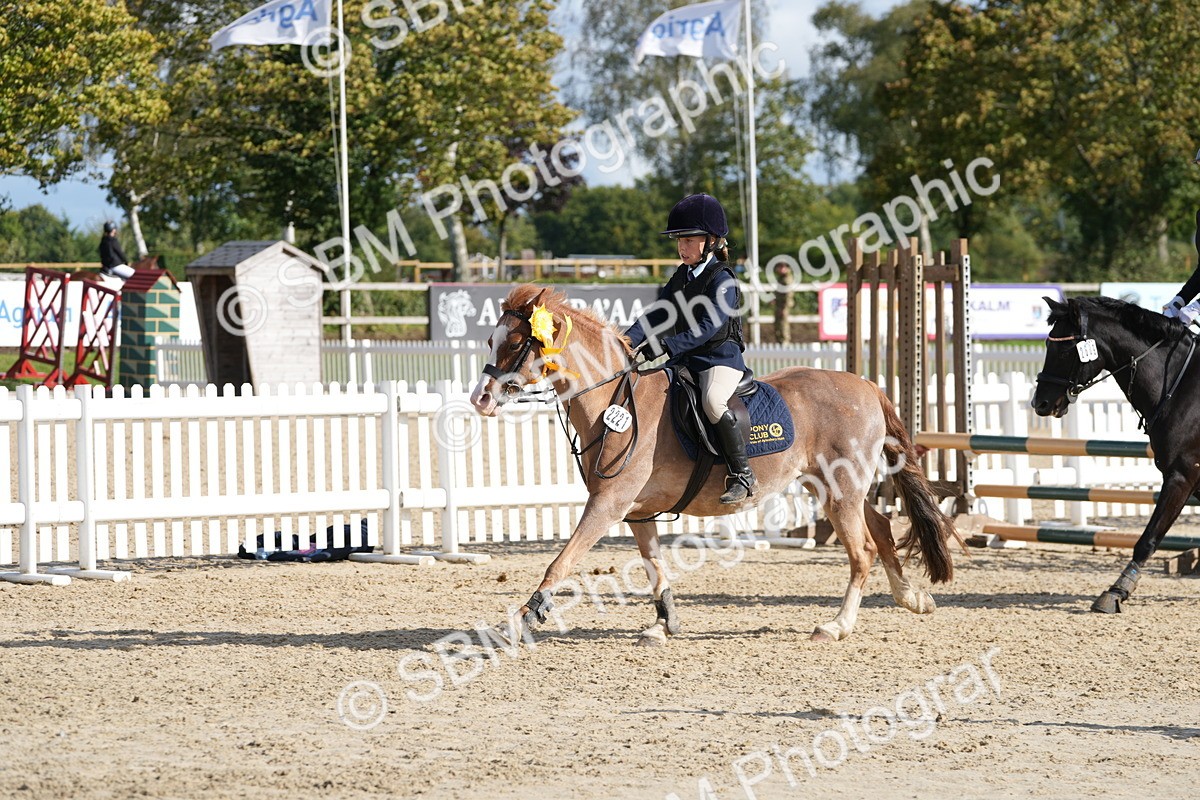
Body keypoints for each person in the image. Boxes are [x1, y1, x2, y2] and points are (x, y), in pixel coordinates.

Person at [625, 193, 756, 504]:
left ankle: (743, 475)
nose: (681, 247)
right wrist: (628, 340)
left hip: (719, 359)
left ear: (711, 240)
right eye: (678, 240)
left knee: (712, 401)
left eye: (688, 239)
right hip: (687, 358)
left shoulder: (722, 280)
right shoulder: (682, 275)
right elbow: (659, 311)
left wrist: (664, 345)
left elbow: (707, 328)